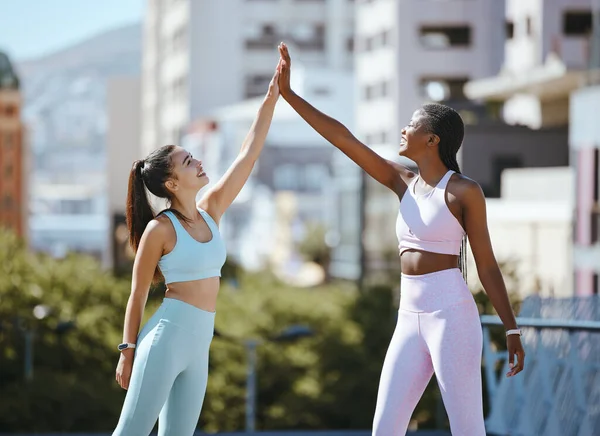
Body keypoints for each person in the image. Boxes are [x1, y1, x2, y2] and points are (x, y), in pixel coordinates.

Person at [276, 42, 525, 435]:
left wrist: (511, 329)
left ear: (433, 140)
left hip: (452, 315)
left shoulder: (464, 191)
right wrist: (289, 96)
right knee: (385, 427)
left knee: (467, 429)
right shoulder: (401, 180)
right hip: (408, 315)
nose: (404, 129)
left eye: (413, 124)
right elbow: (344, 139)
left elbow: (487, 264)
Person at [112, 61, 281, 436]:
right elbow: (138, 293)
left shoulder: (212, 210)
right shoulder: (160, 229)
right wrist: (127, 352)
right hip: (165, 339)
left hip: (200, 343)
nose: (198, 161)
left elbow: (247, 155)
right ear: (172, 183)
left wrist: (271, 98)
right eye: (188, 161)